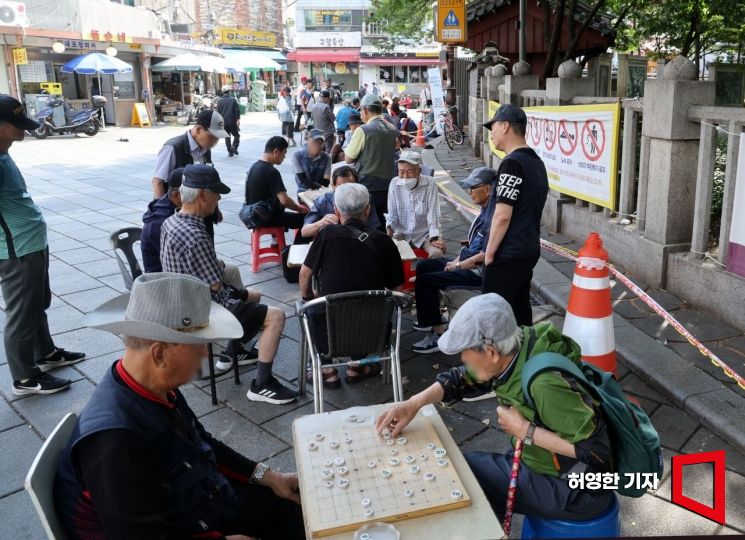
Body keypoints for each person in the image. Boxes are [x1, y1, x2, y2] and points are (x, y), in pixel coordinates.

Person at [55, 273, 305, 539]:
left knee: (300, 509)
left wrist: (269, 476)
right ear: (159, 354)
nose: (205, 354)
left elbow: (203, 444)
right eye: (199, 345)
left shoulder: (153, 386)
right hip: (174, 523)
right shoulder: (115, 441)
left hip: (195, 500)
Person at [376, 293, 614, 524]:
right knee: (478, 472)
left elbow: (599, 451)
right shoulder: (519, 346)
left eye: (465, 354)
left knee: (466, 473)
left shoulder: (544, 384)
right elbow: (460, 380)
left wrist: (525, 431)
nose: (463, 360)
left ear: (490, 352)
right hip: (545, 462)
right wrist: (412, 404)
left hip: (582, 489)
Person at [161, 165, 297, 404]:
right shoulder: (195, 234)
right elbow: (216, 286)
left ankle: (235, 351)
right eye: (216, 192)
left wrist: (241, 293)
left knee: (253, 295)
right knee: (276, 316)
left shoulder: (171, 222)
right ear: (202, 194)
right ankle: (262, 384)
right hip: (203, 313)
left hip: (183, 303)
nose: (219, 198)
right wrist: (239, 294)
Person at [0, 95, 86, 396]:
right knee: (22, 313)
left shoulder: (3, 150)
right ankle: (24, 378)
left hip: (31, 243)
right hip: (16, 250)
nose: (24, 130)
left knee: (37, 304)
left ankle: (45, 353)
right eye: (17, 125)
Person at [299, 183, 404, 388]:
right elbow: (397, 289)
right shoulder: (384, 241)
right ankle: (357, 366)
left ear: (336, 211)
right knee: (367, 307)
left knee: (312, 308)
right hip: (373, 330)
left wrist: (308, 298)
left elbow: (305, 275)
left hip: (329, 329)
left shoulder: (327, 234)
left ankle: (327, 371)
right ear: (368, 209)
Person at [141, 168, 250, 326]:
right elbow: (209, 280)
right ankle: (239, 322)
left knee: (232, 271)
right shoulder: (167, 225)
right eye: (215, 194)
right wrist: (215, 268)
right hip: (170, 288)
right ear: (178, 195)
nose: (219, 198)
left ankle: (243, 322)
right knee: (265, 308)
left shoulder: (172, 216)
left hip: (185, 279)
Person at [411, 167, 496, 363]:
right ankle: (429, 319)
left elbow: (485, 253)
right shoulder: (486, 209)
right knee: (424, 266)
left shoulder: (493, 215)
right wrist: (456, 260)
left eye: (473, 187)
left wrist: (458, 265)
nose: (469, 192)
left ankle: (439, 334)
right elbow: (475, 244)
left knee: (425, 281)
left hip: (476, 271)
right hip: (467, 262)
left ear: (488, 189)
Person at [482, 104, 549, 326]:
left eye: (493, 127)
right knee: (519, 313)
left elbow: (502, 215)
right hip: (528, 248)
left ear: (505, 126)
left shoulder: (512, 163)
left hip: (508, 252)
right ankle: (524, 358)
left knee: (493, 317)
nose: (491, 133)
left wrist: (489, 253)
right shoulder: (536, 163)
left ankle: (495, 360)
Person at [344, 94, 399, 230]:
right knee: (383, 224)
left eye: (361, 111)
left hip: (368, 185)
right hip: (388, 185)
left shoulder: (362, 130)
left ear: (366, 110)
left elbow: (348, 158)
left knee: (368, 225)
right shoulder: (392, 129)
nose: (361, 115)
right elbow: (396, 148)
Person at [151, 109, 229, 199]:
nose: (215, 141)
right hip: (176, 207)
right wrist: (162, 209)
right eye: (213, 136)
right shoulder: (173, 148)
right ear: (199, 130)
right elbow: (157, 182)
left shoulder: (205, 148)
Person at [240, 136, 309, 232]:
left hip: (252, 215)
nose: (284, 157)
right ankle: (298, 246)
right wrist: (299, 209)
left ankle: (275, 241)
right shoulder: (271, 171)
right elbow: (284, 200)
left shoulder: (253, 167)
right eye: (284, 153)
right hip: (266, 218)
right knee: (307, 219)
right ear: (276, 151)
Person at [386, 151, 445, 259]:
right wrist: (388, 237)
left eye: (409, 172)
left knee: (437, 254)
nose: (405, 176)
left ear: (419, 171)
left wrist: (434, 238)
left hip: (425, 234)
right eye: (401, 172)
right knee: (389, 253)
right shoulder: (394, 183)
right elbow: (392, 214)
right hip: (402, 234)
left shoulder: (430, 183)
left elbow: (433, 213)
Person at [301, 166, 381, 238]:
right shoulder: (322, 202)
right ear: (333, 186)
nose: (345, 192)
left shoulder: (365, 198)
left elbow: (374, 228)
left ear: (357, 185)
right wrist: (321, 223)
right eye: (341, 187)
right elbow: (304, 232)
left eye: (350, 187)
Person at [292, 128, 331, 193]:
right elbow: (302, 180)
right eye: (315, 142)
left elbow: (326, 181)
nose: (319, 145)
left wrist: (320, 187)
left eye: (321, 142)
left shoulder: (327, 157)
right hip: (303, 191)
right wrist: (319, 186)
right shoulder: (297, 156)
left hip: (321, 191)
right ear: (308, 141)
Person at [215, 87, 241, 157]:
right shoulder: (233, 100)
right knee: (236, 135)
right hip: (232, 121)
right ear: (229, 91)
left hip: (223, 123)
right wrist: (238, 120)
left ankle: (230, 152)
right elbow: (237, 111)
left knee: (227, 137)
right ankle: (234, 147)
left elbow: (218, 113)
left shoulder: (219, 101)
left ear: (223, 92)